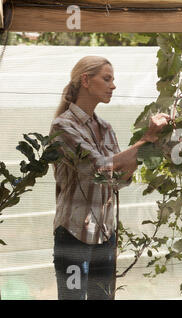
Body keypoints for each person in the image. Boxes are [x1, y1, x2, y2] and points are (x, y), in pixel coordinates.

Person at [49, 56, 170, 300]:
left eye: (112, 79)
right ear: (85, 80)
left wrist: (155, 143)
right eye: (106, 79)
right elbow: (100, 168)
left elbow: (118, 180)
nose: (113, 86)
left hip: (105, 234)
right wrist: (147, 138)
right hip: (73, 235)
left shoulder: (105, 127)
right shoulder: (63, 126)